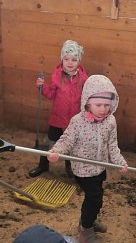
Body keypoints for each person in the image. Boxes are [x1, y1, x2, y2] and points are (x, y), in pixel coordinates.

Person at [47, 74, 129, 243]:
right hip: (83, 170)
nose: (103, 109)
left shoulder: (110, 121)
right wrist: (56, 151)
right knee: (94, 197)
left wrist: (120, 161)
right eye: (98, 105)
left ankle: (89, 220)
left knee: (96, 198)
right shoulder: (78, 122)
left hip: (100, 168)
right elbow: (66, 140)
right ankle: (85, 228)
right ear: (87, 102)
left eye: (107, 105)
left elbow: (112, 145)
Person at [28, 40, 88, 178]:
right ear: (62, 59)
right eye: (66, 59)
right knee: (50, 141)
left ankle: (70, 167)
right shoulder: (57, 75)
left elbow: (86, 98)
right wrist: (42, 87)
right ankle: (43, 165)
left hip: (74, 118)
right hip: (57, 116)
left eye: (74, 59)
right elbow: (51, 94)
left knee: (72, 143)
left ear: (79, 61)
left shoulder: (84, 78)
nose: (70, 62)